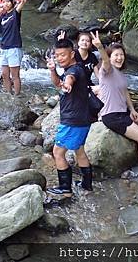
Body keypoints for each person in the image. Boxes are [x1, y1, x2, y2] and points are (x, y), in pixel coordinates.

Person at [91, 32, 138, 168]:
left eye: (121, 55)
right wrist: (100, 48)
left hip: (121, 113)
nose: (119, 58)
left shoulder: (120, 74)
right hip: (111, 116)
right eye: (116, 55)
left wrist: (132, 109)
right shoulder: (106, 71)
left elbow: (125, 93)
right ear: (110, 57)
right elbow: (106, 61)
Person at [46, 38, 93, 197]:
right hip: (82, 118)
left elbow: (68, 81)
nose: (59, 58)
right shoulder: (74, 68)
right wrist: (53, 70)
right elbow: (58, 83)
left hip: (73, 120)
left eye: (63, 55)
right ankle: (87, 184)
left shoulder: (73, 71)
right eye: (57, 55)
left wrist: (66, 85)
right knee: (79, 150)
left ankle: (65, 188)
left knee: (58, 152)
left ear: (72, 54)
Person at [0, 0, 27, 95]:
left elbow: (21, 6)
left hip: (14, 48)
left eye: (8, 1)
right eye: (4, 1)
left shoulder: (15, 13)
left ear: (12, 2)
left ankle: (17, 95)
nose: (6, 4)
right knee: (5, 75)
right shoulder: (1, 17)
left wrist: (22, 0)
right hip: (4, 48)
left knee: (15, 75)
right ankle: (9, 94)